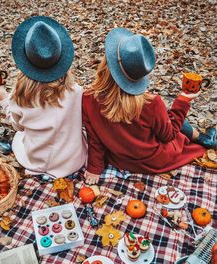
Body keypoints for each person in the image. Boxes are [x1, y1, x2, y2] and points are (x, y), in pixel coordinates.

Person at [82, 28, 216, 184]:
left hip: (121, 160)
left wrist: (94, 167)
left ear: (106, 63)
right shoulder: (151, 103)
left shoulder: (87, 98)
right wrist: (183, 101)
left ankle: (205, 138)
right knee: (173, 122)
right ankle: (206, 140)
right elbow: (168, 135)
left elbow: (94, 139)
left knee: (167, 116)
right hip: (155, 161)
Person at [0, 16, 87, 178]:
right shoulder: (77, 91)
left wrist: (3, 97)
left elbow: (18, 127)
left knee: (20, 137)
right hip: (73, 161)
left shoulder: (19, 97)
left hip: (38, 161)